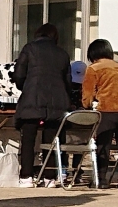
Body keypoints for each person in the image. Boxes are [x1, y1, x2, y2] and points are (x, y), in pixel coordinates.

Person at [13, 22, 73, 185]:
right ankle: (49, 177)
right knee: (52, 141)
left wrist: (26, 87)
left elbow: (18, 74)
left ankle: (26, 176)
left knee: (28, 140)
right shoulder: (63, 54)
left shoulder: (29, 48)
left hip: (32, 98)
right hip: (57, 102)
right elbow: (68, 81)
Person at [81, 39, 118, 187]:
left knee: (103, 144)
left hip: (107, 108)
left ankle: (101, 179)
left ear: (93, 54)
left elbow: (88, 93)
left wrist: (86, 105)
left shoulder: (93, 68)